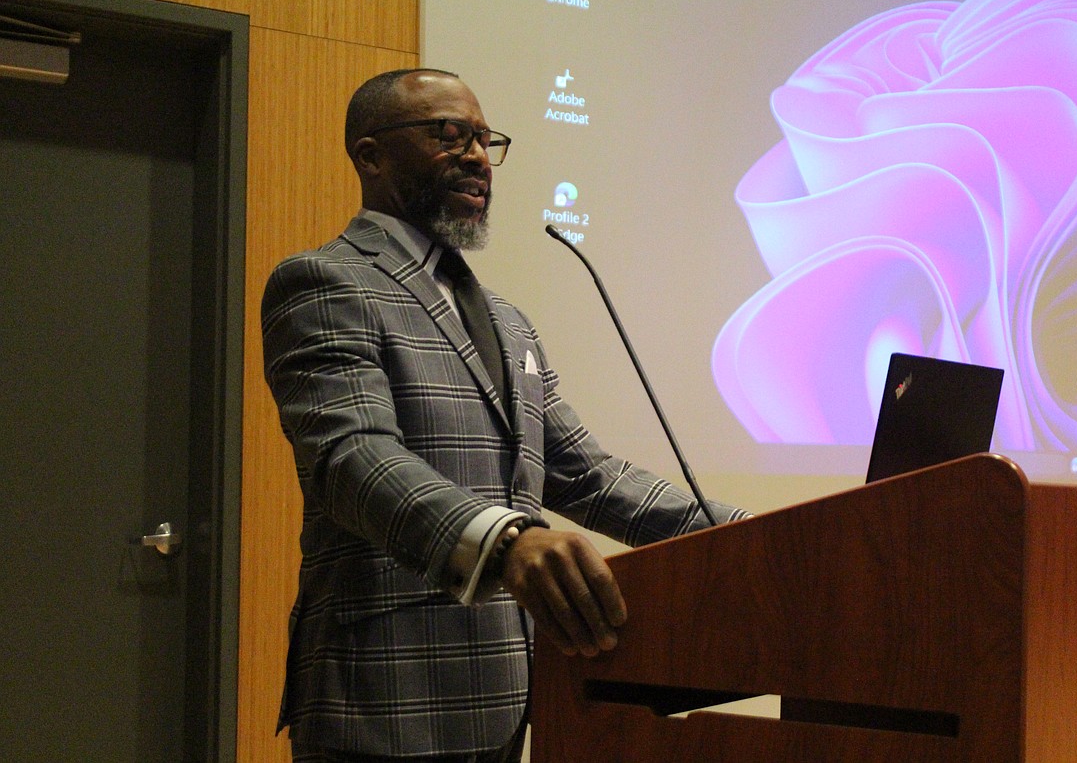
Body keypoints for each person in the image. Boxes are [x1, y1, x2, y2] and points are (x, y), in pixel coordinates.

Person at [262, 68, 750, 763]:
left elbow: (587, 477)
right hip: (387, 697)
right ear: (369, 155)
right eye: (447, 135)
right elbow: (352, 459)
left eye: (485, 140)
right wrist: (505, 543)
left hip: (507, 694)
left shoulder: (506, 320)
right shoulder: (324, 282)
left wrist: (743, 534)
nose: (476, 156)